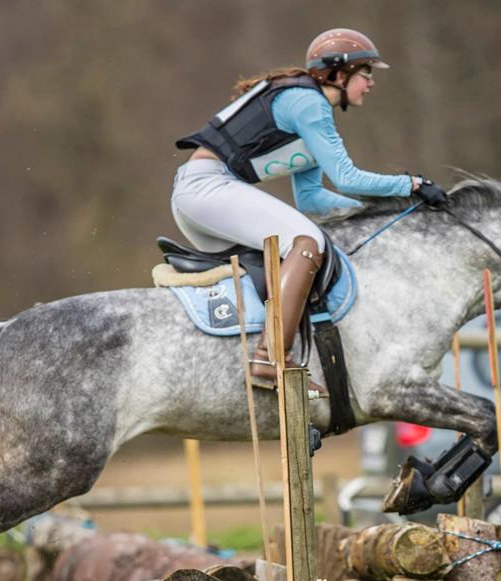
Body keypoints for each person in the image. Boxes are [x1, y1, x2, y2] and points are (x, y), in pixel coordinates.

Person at [171, 28, 447, 396]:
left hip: (199, 196)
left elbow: (313, 200)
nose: (370, 83)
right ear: (337, 74)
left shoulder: (307, 108)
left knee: (301, 242)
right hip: (207, 189)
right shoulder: (309, 104)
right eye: (365, 73)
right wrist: (409, 186)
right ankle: (270, 358)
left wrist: (377, 212)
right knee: (308, 241)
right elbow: (346, 178)